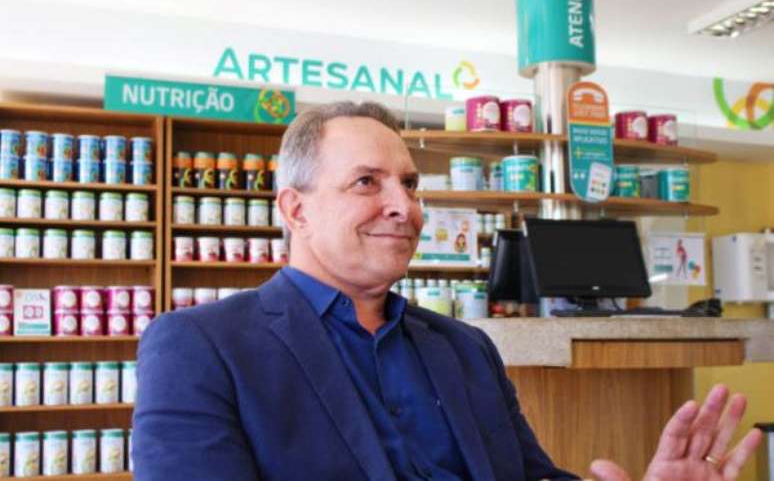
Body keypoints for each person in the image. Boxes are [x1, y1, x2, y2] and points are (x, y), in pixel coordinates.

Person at [133, 101, 762, 480]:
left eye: (409, 184)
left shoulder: (465, 347)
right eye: (367, 182)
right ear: (296, 210)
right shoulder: (201, 346)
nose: (404, 206)